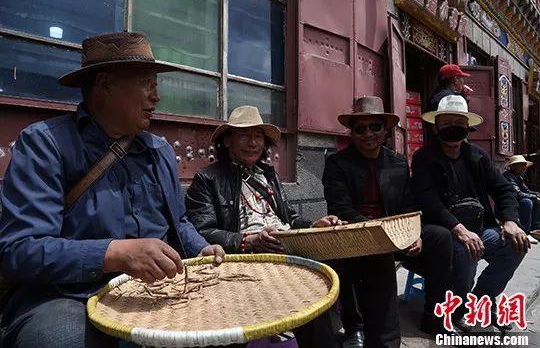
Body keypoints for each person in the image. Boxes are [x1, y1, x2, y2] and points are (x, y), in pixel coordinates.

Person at [0, 32, 225, 348]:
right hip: (68, 295)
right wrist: (114, 253)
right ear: (105, 84)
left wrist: (200, 248)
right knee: (59, 340)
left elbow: (180, 222)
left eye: (156, 87)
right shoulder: (45, 144)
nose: (155, 97)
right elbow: (19, 250)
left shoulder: (159, 150)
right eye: (147, 84)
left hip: (152, 289)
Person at [185, 105, 344, 347]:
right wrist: (248, 240)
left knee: (325, 277)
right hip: (250, 257)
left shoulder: (269, 175)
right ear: (227, 141)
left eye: (258, 136)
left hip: (286, 246)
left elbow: (288, 217)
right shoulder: (208, 178)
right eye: (244, 135)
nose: (252, 143)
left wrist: (313, 225)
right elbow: (202, 230)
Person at [322, 96, 453, 345]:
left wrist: (413, 233)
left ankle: (435, 316)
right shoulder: (337, 164)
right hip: (357, 233)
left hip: (396, 230)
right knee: (365, 251)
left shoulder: (397, 162)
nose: (368, 134)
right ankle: (359, 329)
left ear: (385, 130)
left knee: (441, 238)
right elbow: (341, 208)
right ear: (352, 133)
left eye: (375, 127)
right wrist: (381, 232)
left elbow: (409, 205)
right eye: (360, 129)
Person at [411, 95, 529, 331]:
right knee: (466, 250)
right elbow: (429, 201)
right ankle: (458, 308)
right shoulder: (424, 158)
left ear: (467, 127)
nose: (452, 127)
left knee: (517, 244)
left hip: (481, 228)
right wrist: (460, 230)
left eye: (458, 122)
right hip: (446, 230)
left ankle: (480, 300)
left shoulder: (477, 156)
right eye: (446, 123)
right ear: (436, 127)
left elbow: (503, 189)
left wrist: (510, 221)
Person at [504, 155, 540, 244]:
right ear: (514, 166)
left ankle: (535, 229)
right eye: (521, 165)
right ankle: (525, 231)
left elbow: (526, 190)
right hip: (508, 204)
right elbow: (518, 194)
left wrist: (537, 195)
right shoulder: (508, 177)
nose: (524, 168)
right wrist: (535, 197)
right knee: (527, 202)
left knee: (537, 201)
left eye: (524, 165)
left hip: (516, 201)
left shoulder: (518, 177)